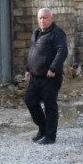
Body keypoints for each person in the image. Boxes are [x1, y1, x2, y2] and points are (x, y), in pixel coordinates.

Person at [23, 8, 68, 145]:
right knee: (30, 100)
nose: (42, 20)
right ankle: (42, 128)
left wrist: (53, 68)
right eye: (40, 18)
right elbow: (33, 52)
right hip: (35, 77)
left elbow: (62, 51)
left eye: (45, 18)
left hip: (50, 77)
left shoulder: (57, 33)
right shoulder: (36, 33)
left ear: (51, 19)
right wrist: (28, 69)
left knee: (50, 106)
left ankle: (50, 136)